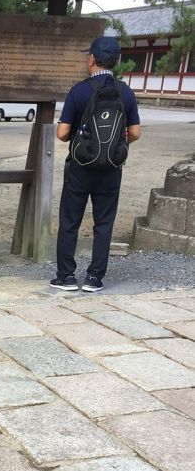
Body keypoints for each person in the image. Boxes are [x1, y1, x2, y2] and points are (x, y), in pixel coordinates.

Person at [50, 37, 141, 292]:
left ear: (91, 59)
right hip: (111, 169)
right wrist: (114, 147)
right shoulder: (125, 92)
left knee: (70, 220)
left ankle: (66, 276)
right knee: (104, 222)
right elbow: (135, 132)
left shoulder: (79, 90)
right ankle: (94, 278)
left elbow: (62, 133)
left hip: (80, 167)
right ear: (116, 61)